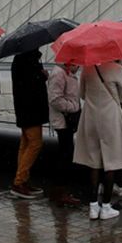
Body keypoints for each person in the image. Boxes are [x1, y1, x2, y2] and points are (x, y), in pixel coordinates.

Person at [74, 60, 122, 221]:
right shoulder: (117, 69)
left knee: (94, 161)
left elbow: (81, 94)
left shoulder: (87, 68)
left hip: (91, 117)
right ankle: (106, 205)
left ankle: (93, 206)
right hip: (111, 118)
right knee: (112, 162)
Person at [9, 49, 49, 199]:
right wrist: (42, 75)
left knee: (25, 144)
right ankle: (19, 182)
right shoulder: (27, 61)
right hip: (31, 109)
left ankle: (23, 180)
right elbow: (30, 84)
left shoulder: (20, 60)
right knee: (35, 143)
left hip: (25, 109)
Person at [48, 61, 82, 207]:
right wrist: (73, 107)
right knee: (65, 155)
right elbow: (55, 99)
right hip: (63, 121)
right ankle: (60, 192)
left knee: (66, 154)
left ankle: (60, 191)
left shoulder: (67, 73)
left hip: (66, 120)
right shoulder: (59, 73)